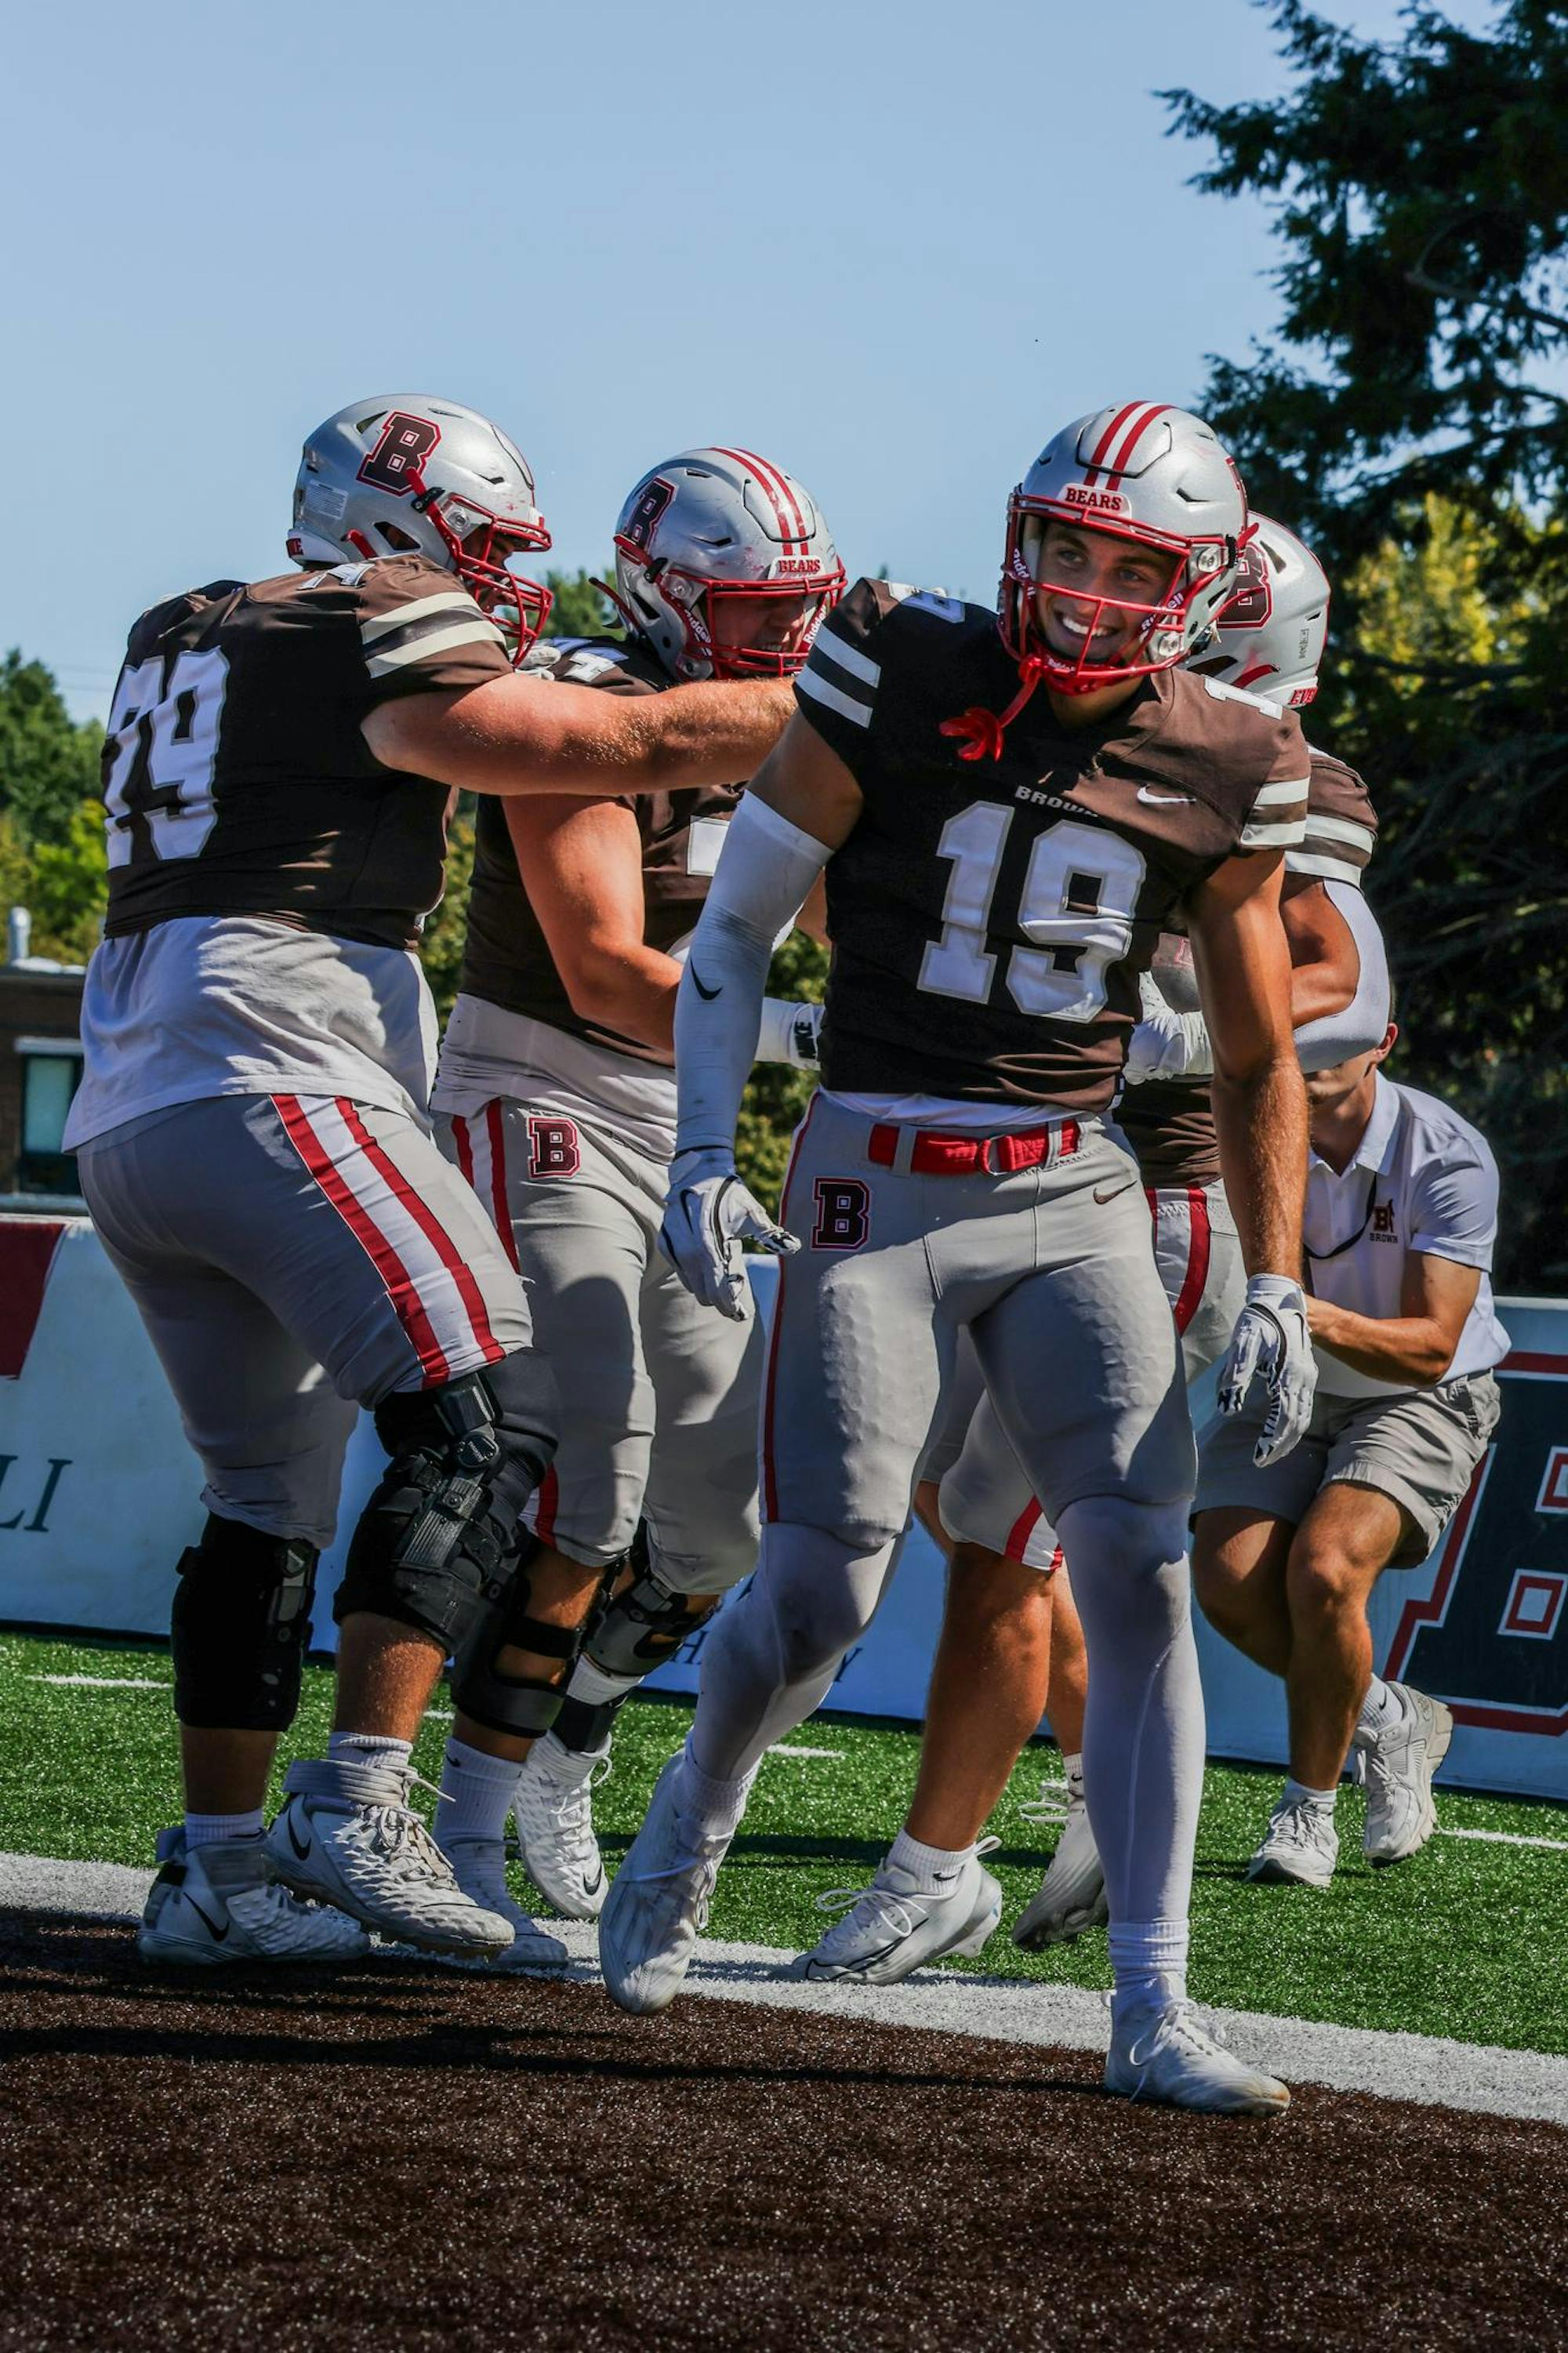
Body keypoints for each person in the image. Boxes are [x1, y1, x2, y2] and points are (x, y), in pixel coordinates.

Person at [601, 401, 1319, 2117]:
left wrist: (1278, 1272)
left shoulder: (1232, 756)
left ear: (1198, 581)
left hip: (1074, 1190)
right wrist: (705, 1150)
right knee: (825, 1580)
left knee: (1137, 1570)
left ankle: (1152, 2002)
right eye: (1062, 542)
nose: (1079, 585)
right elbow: (731, 941)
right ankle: (692, 1816)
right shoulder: (895, 662)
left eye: (1127, 561)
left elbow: (1256, 1053)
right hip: (879, 1173)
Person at [68, 395, 794, 1967]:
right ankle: (365, 1800)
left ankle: (215, 1868)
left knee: (263, 1505)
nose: (500, 582)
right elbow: (619, 739)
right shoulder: (373, 618)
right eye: (479, 546)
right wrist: (845, 713)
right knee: (467, 1410)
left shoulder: (185, 622)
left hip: (132, 1091)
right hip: (274, 1058)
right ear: (390, 532)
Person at [845, 521, 1391, 1963]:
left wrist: (1174, 1017)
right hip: (1024, 1184)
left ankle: (935, 1868)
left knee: (1008, 1551)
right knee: (959, 1512)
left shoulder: (1265, 771)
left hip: (1151, 1202)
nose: (1118, 617)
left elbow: (1344, 986)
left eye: (1160, 593)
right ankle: (1104, 1779)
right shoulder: (1085, 724)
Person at [426, 448, 840, 1958]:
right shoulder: (590, 697)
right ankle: (459, 1835)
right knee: (590, 1469)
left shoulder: (789, 720)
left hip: (686, 1119)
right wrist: (814, 1039)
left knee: (718, 1521)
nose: (783, 638)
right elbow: (605, 965)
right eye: (752, 609)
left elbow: (854, 916)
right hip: (541, 1086)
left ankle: (567, 1747)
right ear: (668, 601)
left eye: (799, 607)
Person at [1189, 1008, 1506, 1883]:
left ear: (1386, 1040)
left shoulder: (1446, 1154)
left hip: (1420, 1392)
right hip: (1291, 1370)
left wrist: (1293, 1308)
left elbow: (1430, 1343)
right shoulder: (1246, 1118)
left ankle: (1306, 1812)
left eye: (1339, 1037)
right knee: (1224, 1579)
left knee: (1324, 1571)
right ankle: (1385, 1714)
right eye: (1298, 1036)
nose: (1314, 1057)